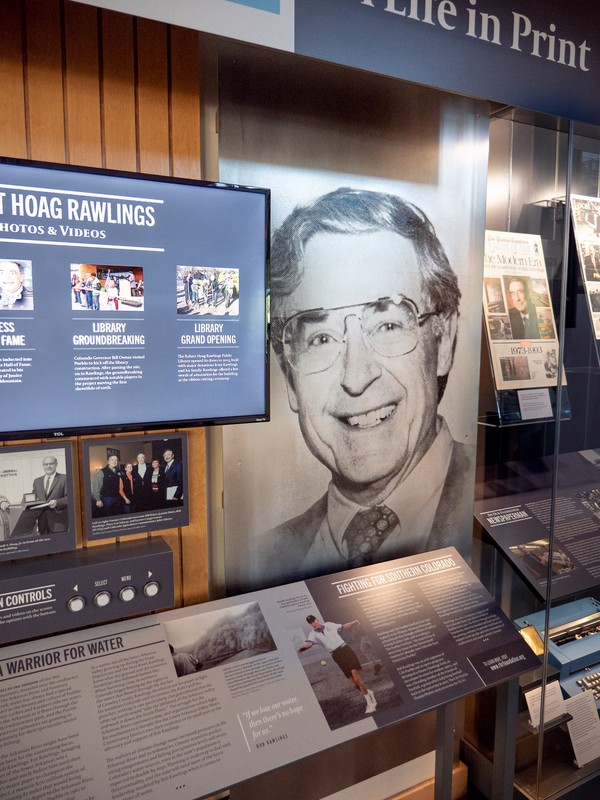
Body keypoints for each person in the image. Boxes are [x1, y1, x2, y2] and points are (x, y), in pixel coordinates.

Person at [260, 187, 473, 584]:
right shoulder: (264, 558)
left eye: (387, 325)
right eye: (320, 339)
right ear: (290, 378)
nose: (356, 377)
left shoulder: (501, 493)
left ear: (442, 342)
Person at [298, 615, 376, 714]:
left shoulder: (329, 625)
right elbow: (309, 643)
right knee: (353, 683)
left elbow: (343, 626)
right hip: (336, 656)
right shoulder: (313, 634)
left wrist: (353, 623)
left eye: (314, 621)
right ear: (309, 624)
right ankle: (368, 692)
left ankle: (370, 703)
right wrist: (303, 648)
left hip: (346, 651)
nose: (313, 623)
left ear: (317, 620)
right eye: (311, 623)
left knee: (357, 678)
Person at [32, 455, 68, 532]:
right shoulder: (37, 481)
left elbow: (70, 498)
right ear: (43, 466)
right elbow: (33, 498)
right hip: (42, 523)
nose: (48, 466)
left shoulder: (64, 478)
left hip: (59, 523)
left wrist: (57, 502)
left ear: (56, 464)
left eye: (51, 463)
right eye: (46, 464)